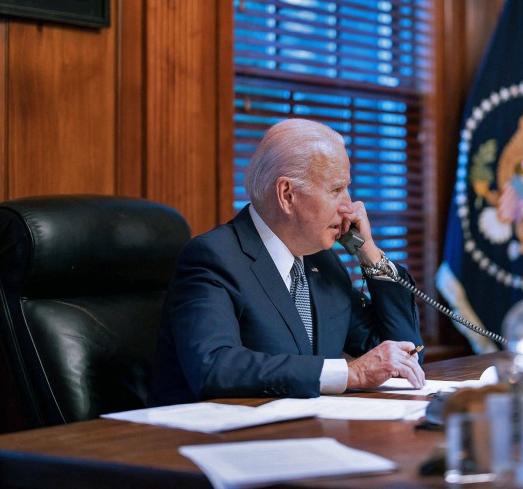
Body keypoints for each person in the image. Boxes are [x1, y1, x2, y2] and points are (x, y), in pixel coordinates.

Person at [149, 119, 425, 404]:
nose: (350, 206)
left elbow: (404, 357)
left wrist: (370, 254)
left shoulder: (323, 263)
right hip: (204, 439)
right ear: (287, 195)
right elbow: (214, 366)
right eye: (336, 190)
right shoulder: (213, 257)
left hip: (304, 433)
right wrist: (349, 373)